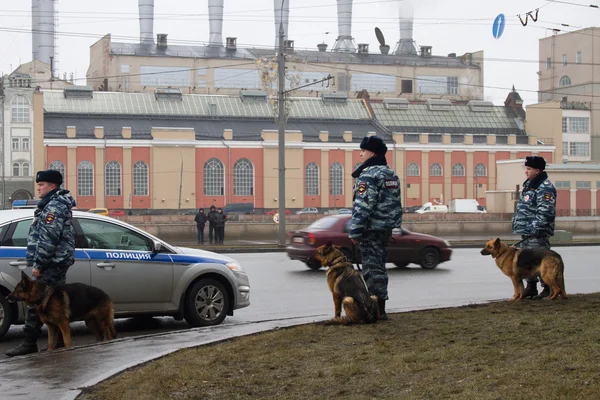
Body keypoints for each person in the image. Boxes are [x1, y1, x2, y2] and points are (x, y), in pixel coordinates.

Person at [6, 170, 76, 357]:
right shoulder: (52, 204)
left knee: (37, 301)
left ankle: (30, 342)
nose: (38, 188)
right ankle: (57, 342)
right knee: (52, 303)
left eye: (42, 185)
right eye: (38, 184)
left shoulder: (54, 207)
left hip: (51, 263)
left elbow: (48, 239)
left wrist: (38, 264)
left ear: (52, 186)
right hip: (55, 262)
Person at [349, 136, 402, 320]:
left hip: (371, 231)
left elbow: (363, 206)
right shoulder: (390, 174)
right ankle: (381, 308)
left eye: (363, 151)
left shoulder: (368, 175)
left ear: (371, 153)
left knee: (372, 270)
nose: (360, 153)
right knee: (380, 267)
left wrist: (355, 232)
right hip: (385, 230)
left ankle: (376, 311)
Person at [512, 155, 557, 300]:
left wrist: (536, 227)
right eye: (526, 168)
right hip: (526, 231)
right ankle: (531, 287)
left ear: (537, 170)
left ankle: (548, 288)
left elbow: (545, 211)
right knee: (526, 261)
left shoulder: (545, 187)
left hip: (537, 234)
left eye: (529, 169)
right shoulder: (529, 185)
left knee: (541, 261)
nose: (526, 171)